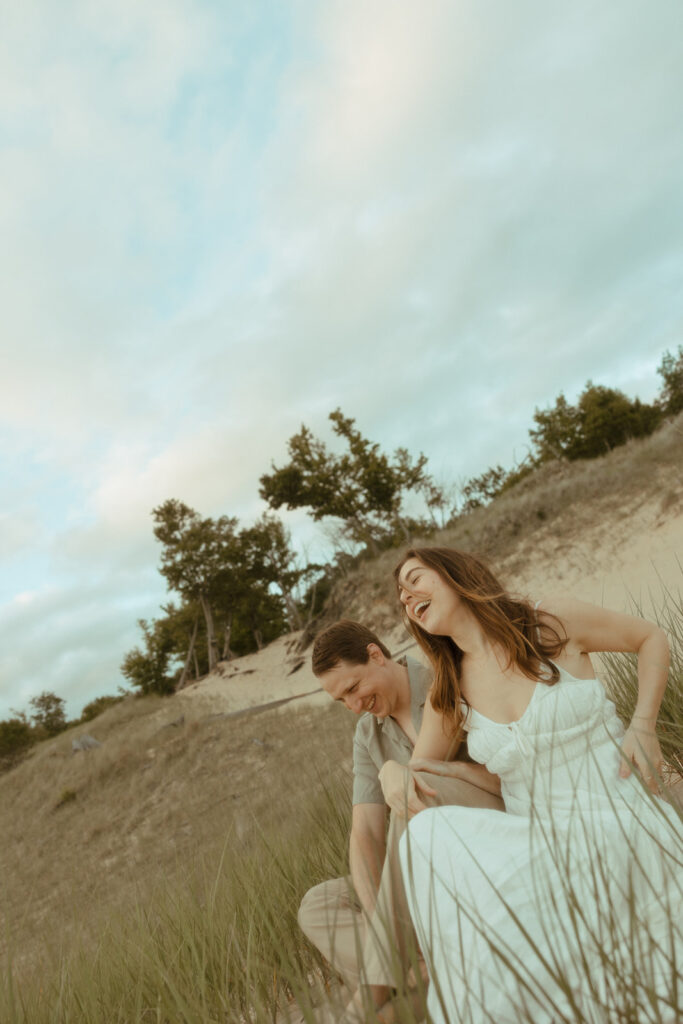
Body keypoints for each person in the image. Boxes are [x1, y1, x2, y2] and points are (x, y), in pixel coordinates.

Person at [389, 546, 682, 1024]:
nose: (407, 597)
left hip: (616, 810)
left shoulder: (549, 622)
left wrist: (644, 724)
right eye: (401, 597)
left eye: (416, 579)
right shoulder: (451, 687)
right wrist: (389, 770)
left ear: (455, 574)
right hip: (541, 837)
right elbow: (419, 771)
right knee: (424, 838)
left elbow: (650, 637)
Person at [297, 619, 504, 1021]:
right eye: (342, 700)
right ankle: (418, 970)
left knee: (414, 787)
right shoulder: (366, 735)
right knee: (318, 904)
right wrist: (383, 922)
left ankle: (383, 988)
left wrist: (424, 777)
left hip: (485, 835)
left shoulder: (445, 676)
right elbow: (366, 834)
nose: (355, 706)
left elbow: (511, 771)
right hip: (425, 883)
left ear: (376, 655)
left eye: (354, 688)